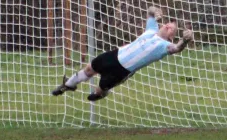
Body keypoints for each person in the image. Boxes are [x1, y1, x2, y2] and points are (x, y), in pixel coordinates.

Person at [52, 6, 194, 101]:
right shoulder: (152, 29)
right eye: (167, 24)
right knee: (89, 69)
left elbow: (177, 48)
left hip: (123, 70)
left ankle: (103, 92)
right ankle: (69, 85)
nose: (168, 26)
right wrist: (155, 10)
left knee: (98, 92)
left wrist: (185, 41)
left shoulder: (165, 45)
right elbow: (150, 11)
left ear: (171, 37)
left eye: (171, 30)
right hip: (115, 55)